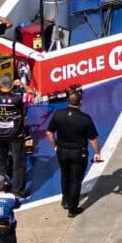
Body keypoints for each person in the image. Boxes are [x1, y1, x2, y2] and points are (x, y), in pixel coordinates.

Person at [47, 86, 103, 214]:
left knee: (65, 175)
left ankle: (65, 200)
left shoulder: (58, 114)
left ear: (68, 101)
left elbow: (49, 133)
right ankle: (72, 208)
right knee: (76, 180)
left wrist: (55, 146)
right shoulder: (85, 118)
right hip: (79, 153)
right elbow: (93, 139)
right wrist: (97, 153)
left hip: (62, 151)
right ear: (80, 102)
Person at [0, 68, 32, 196]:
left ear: (0, 85)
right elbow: (31, 93)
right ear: (12, 85)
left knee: (0, 162)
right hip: (16, 135)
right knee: (19, 163)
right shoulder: (19, 97)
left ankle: (0, 188)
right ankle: (18, 192)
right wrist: (22, 84)